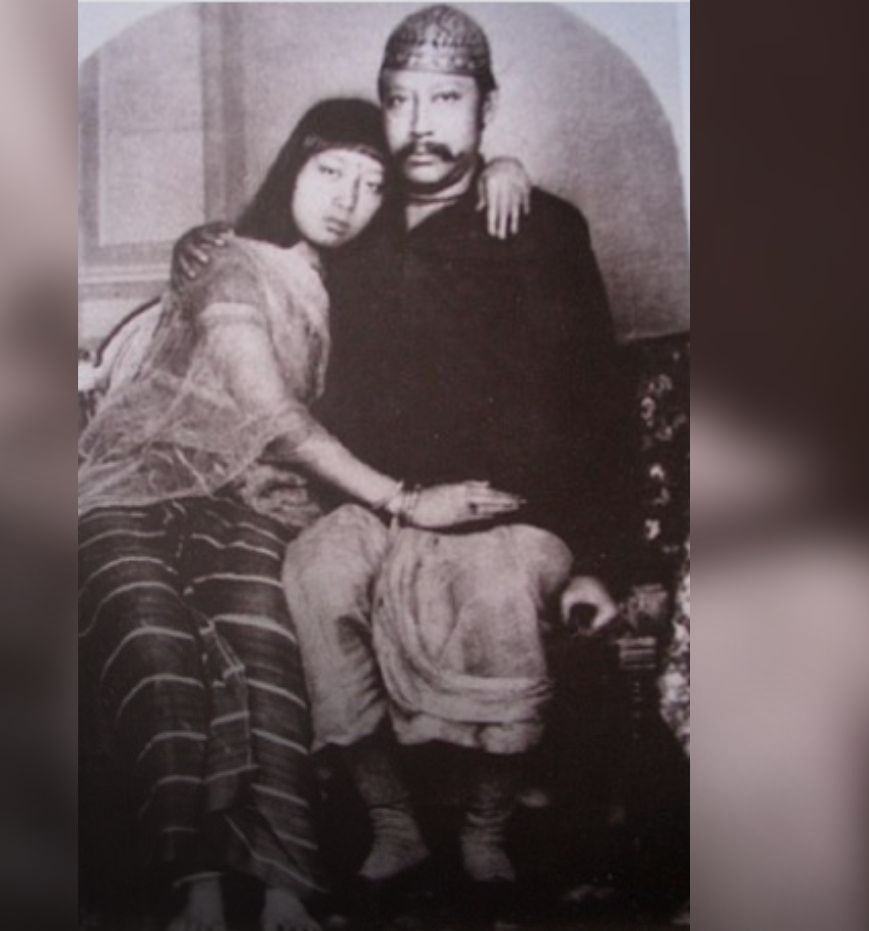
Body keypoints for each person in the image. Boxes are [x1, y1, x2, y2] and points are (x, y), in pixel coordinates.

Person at [181, 5, 637, 897]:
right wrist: (195, 245)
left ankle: (486, 826)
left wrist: (600, 561)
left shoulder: (542, 225)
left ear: (487, 108)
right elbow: (263, 258)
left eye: (447, 100)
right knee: (314, 574)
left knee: (498, 592)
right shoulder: (358, 221)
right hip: (379, 499)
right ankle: (392, 819)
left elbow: (599, 405)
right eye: (400, 101)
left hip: (509, 507)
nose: (421, 124)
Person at [77, 98, 523, 931]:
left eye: (371, 183)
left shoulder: (358, 284)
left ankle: (284, 887)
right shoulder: (229, 263)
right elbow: (272, 415)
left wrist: (501, 168)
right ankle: (197, 888)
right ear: (293, 168)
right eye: (330, 172)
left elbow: (453, 245)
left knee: (264, 647)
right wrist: (404, 499)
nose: (348, 199)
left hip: (257, 500)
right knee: (157, 641)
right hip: (137, 483)